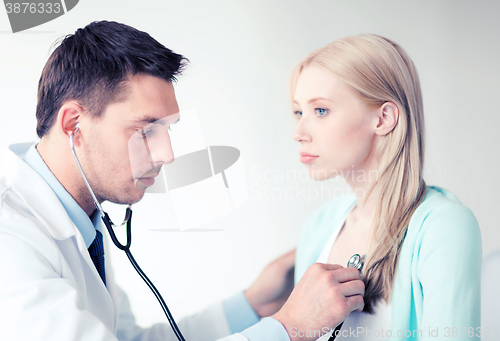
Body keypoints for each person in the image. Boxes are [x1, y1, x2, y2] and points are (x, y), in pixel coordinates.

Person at [0, 21, 365, 341]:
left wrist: (253, 303)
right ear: (72, 124)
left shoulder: (83, 223)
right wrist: (287, 328)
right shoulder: (10, 236)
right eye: (145, 131)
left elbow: (126, 339)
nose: (166, 154)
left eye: (167, 131)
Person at [290, 34, 482, 340]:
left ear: (383, 118)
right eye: (298, 112)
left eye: (321, 111)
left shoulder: (444, 227)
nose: (298, 132)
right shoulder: (318, 226)